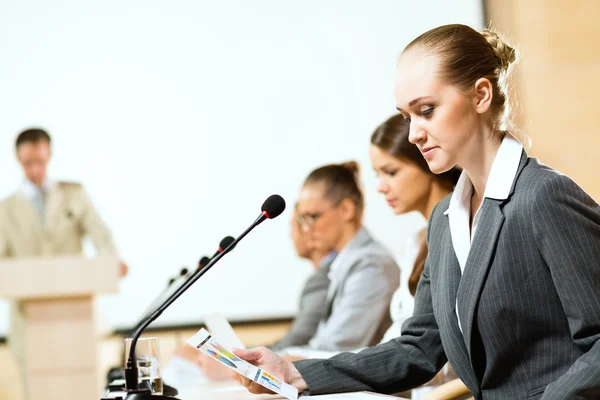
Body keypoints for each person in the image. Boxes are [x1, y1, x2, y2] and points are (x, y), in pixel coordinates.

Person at [234, 24, 600, 400]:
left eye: (427, 111)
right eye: (408, 117)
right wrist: (295, 373)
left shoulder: (543, 196)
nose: (413, 135)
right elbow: (420, 348)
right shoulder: (445, 220)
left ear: (481, 95)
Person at [0, 128, 127, 398]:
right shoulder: (6, 209)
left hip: (77, 320)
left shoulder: (74, 194)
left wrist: (112, 260)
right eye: (27, 163)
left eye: (40, 161)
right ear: (18, 160)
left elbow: (101, 235)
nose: (34, 168)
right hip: (28, 321)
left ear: (49, 154)